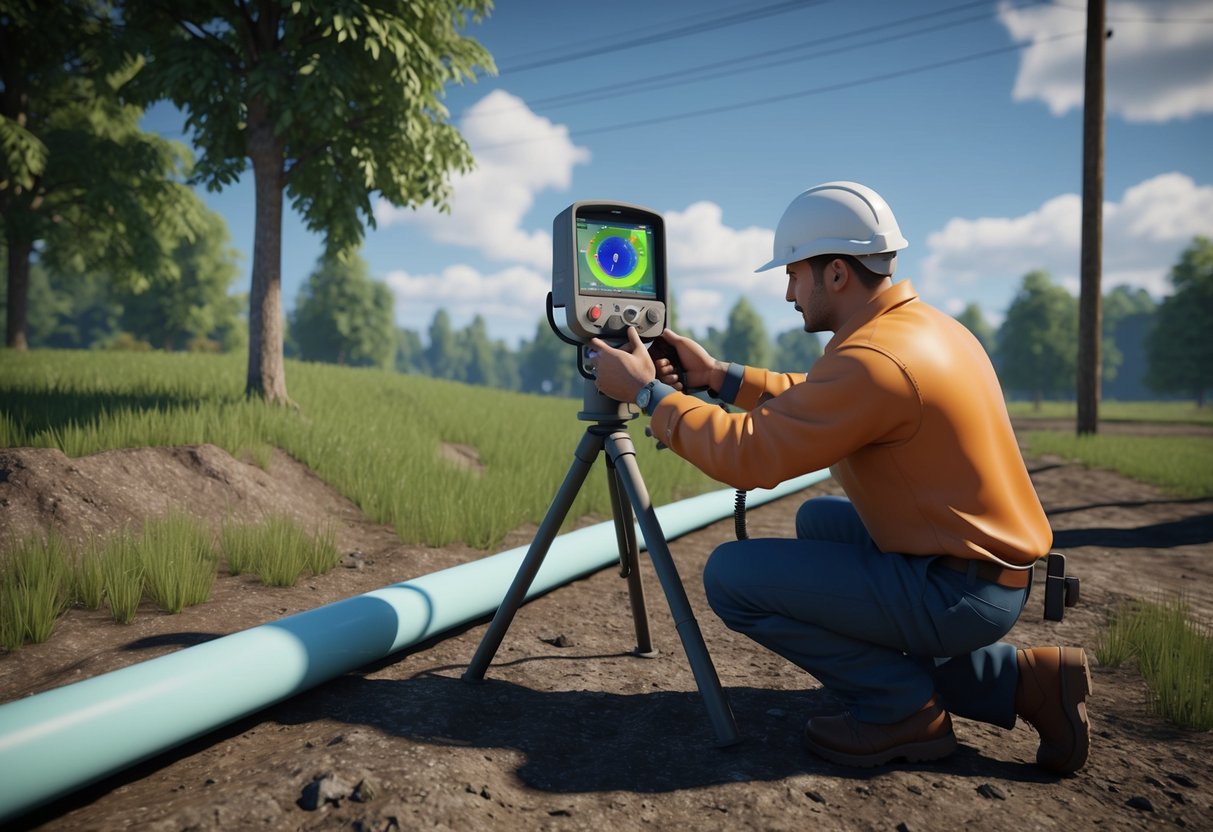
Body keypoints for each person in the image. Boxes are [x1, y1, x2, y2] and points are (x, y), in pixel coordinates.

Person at [589, 181, 1092, 773]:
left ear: (835, 274)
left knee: (731, 576)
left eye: (794, 274)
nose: (786, 292)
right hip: (984, 570)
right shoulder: (917, 330)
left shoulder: (875, 360)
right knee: (820, 520)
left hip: (962, 594)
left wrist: (647, 394)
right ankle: (1020, 681)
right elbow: (822, 396)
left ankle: (902, 710)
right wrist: (719, 376)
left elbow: (750, 455)